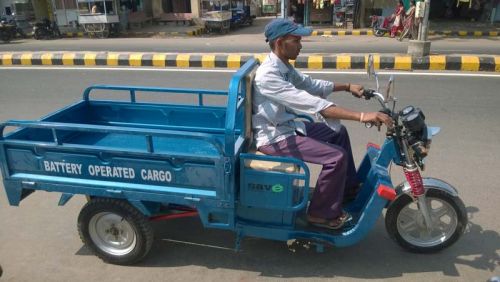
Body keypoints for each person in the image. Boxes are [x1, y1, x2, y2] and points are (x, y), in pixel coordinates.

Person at [253, 19, 393, 230]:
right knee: (336, 157)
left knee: (337, 132)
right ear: (281, 43)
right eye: (296, 40)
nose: (300, 45)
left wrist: (347, 86)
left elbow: (311, 85)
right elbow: (317, 106)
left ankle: (346, 189)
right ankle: (319, 214)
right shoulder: (268, 76)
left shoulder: (283, 66)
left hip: (287, 127)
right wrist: (363, 115)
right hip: (275, 138)